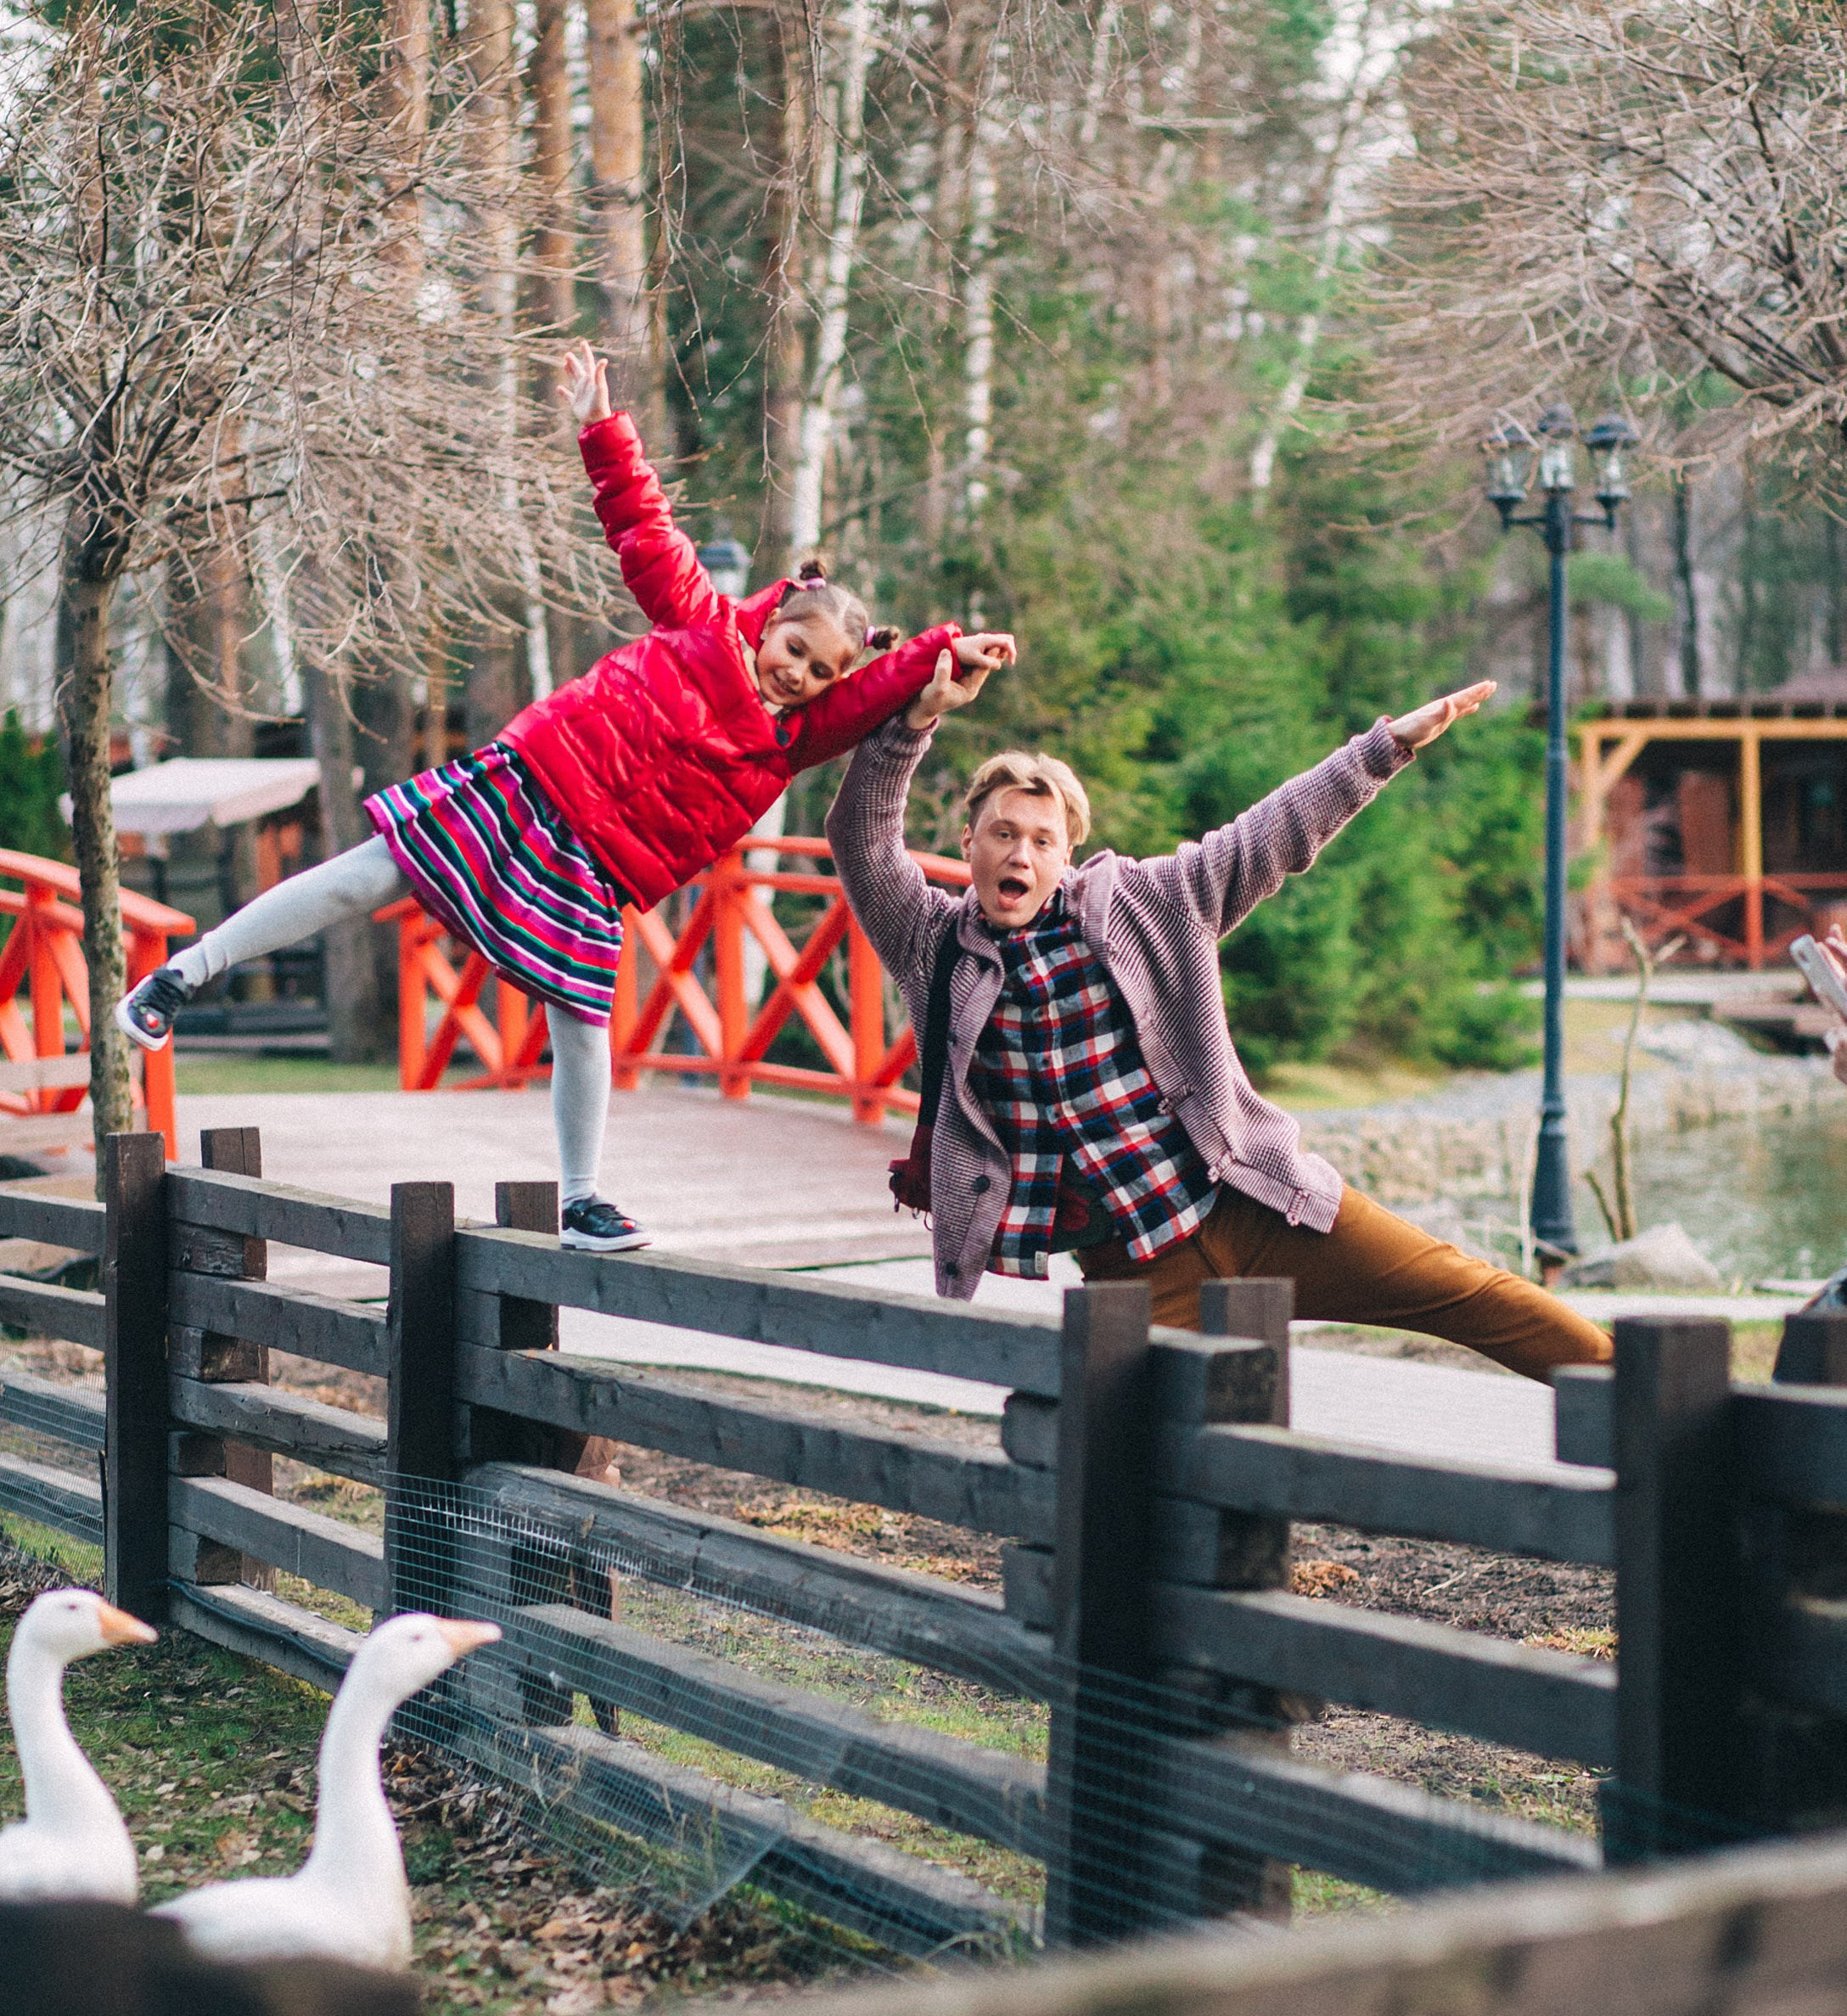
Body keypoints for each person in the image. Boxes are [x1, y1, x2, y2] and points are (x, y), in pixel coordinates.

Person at [118, 343, 1016, 1251]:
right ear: (771, 619)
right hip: (531, 787)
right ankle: (180, 976)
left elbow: (880, 688)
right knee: (362, 878)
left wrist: (949, 647)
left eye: (821, 675)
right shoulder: (699, 622)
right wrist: (600, 424)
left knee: (584, 1015)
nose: (801, 678)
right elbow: (643, 527)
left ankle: (582, 1198)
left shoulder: (792, 740)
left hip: (594, 866)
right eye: (795, 653)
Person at [827, 677, 1614, 1377]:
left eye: (1041, 839)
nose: (1019, 854)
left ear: (1068, 854)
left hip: (1260, 1208)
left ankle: (1663, 1407)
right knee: (1134, 1464)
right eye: (1003, 833)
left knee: (1468, 1292)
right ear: (969, 843)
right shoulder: (931, 943)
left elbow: (1270, 834)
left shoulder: (1150, 905)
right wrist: (913, 720)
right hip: (1137, 1271)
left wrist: (1383, 749)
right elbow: (860, 839)